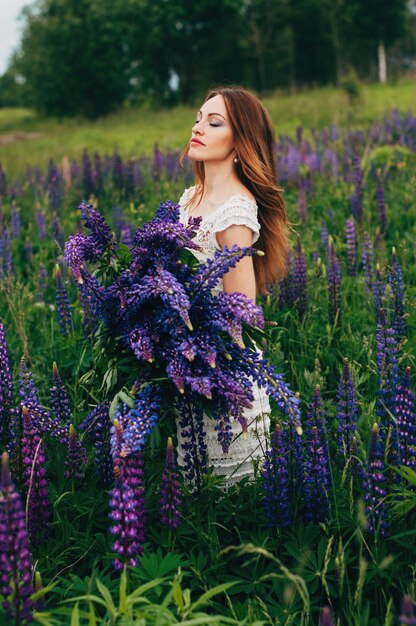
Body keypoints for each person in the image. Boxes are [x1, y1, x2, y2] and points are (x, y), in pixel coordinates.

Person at [176, 85, 290, 488]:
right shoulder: (192, 199)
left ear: (239, 141)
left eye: (214, 121)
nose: (198, 127)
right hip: (191, 370)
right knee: (194, 502)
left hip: (225, 377)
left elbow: (240, 318)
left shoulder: (236, 213)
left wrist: (195, 348)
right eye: (198, 117)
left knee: (231, 506)